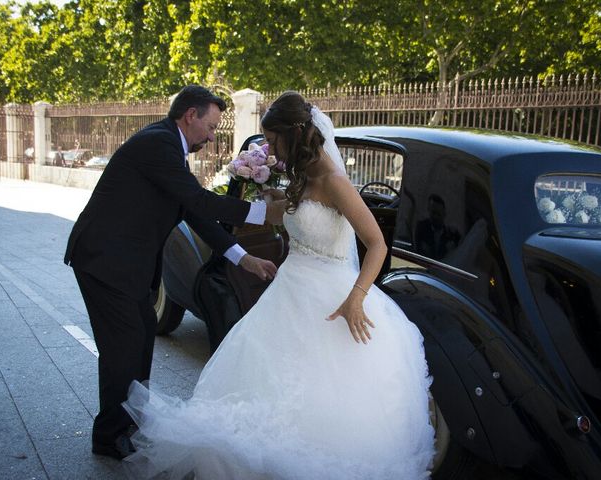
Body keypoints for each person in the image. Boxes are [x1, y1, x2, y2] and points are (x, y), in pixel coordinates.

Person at [123, 91, 435, 479]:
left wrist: (357, 298)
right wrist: (271, 198)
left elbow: (376, 244)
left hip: (331, 298)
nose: (268, 148)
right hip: (290, 291)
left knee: (326, 393)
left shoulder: (335, 181)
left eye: (272, 140)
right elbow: (289, 219)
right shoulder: (301, 178)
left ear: (296, 134)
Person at [64, 85, 278, 461]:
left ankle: (128, 422)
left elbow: (193, 214)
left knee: (143, 336)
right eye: (210, 127)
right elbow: (199, 201)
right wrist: (263, 214)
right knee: (124, 348)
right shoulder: (157, 145)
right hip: (105, 262)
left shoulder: (169, 149)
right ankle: (110, 435)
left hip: (127, 265)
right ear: (190, 115)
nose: (212, 138)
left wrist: (244, 258)